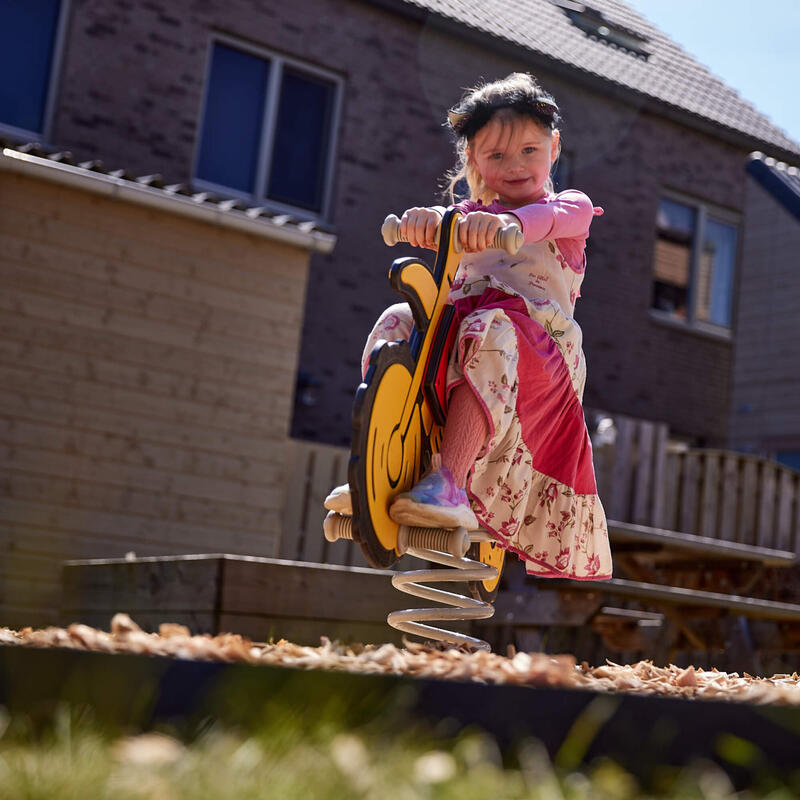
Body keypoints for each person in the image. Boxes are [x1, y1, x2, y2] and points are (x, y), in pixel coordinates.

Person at [326, 73, 611, 580]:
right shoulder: (472, 215)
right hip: (471, 333)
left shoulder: (570, 209)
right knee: (397, 319)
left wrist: (514, 226)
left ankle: (450, 482)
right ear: (473, 161)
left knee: (491, 327)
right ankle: (377, 461)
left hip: (540, 356)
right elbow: (448, 217)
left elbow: (546, 220)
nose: (516, 166)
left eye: (529, 150)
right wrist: (425, 221)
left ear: (555, 146)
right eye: (496, 156)